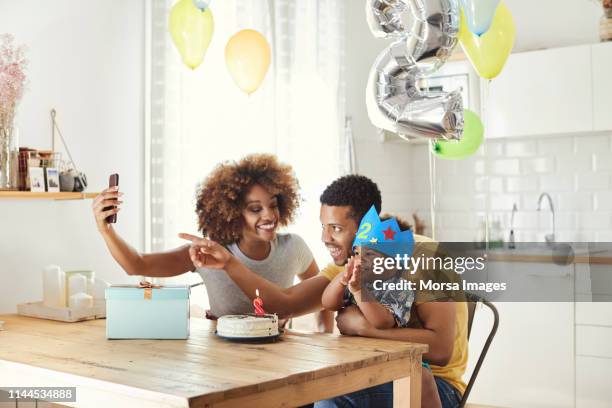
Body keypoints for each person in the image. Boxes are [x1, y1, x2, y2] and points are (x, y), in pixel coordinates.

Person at [92, 154, 332, 327]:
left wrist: (324, 336)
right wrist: (106, 230)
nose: (268, 215)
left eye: (273, 205)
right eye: (255, 209)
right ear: (232, 213)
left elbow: (323, 297)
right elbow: (137, 264)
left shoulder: (293, 247)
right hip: (220, 359)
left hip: (280, 357)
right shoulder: (209, 254)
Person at [315, 175, 468, 408]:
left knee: (334, 397)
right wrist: (342, 281)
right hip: (371, 368)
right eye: (323, 227)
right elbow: (321, 300)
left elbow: (440, 350)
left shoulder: (418, 266)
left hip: (433, 382)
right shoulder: (356, 264)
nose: (326, 238)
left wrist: (361, 327)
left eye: (336, 228)